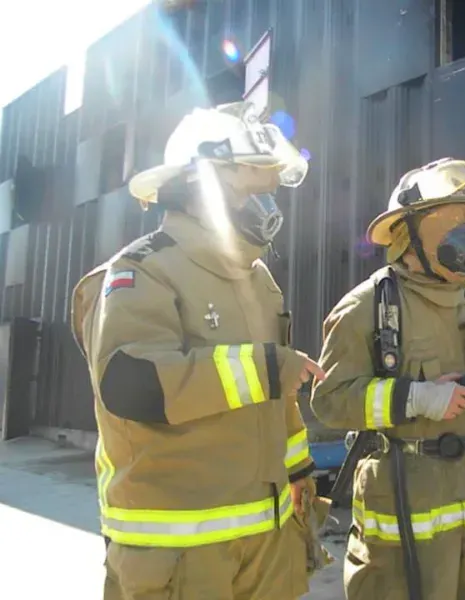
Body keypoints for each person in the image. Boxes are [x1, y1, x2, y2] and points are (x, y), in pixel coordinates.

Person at [71, 101, 327, 599]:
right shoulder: (144, 269)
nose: (266, 208)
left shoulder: (258, 280)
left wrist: (298, 472)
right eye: (251, 190)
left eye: (269, 192)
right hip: (181, 553)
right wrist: (266, 367)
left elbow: (276, 399)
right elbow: (130, 383)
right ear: (199, 184)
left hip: (268, 544)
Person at [311, 158, 465, 600]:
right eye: (452, 221)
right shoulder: (368, 306)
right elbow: (329, 400)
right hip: (408, 516)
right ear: (409, 233)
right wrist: (417, 398)